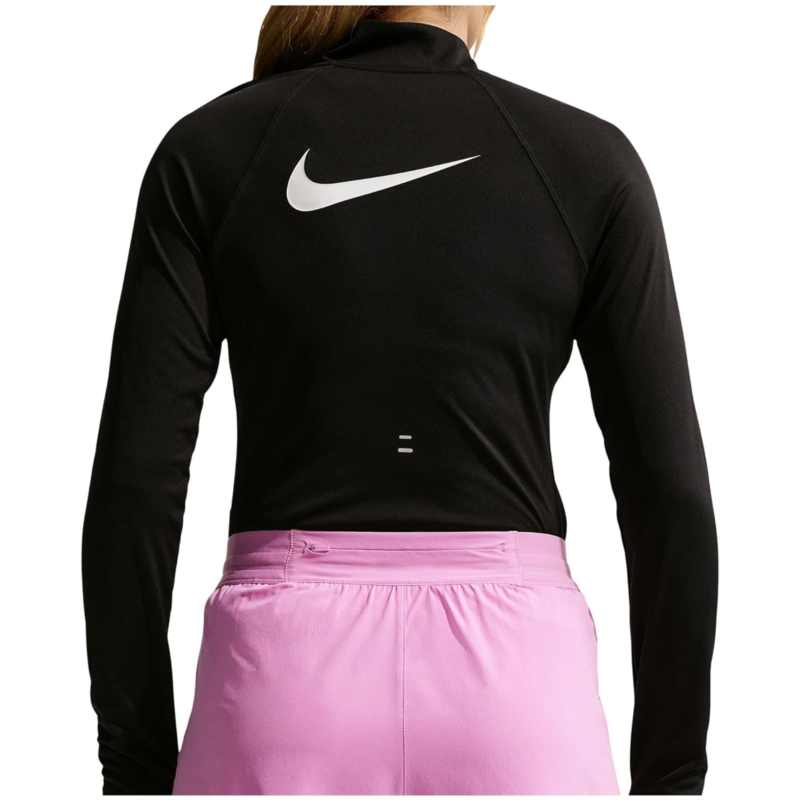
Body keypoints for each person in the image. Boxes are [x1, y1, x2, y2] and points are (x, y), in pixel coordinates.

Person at [81, 5, 719, 796]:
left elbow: (136, 484)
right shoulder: (586, 158)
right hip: (518, 692)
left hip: (283, 678)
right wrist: (671, 777)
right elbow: (670, 495)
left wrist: (135, 769)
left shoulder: (213, 147)